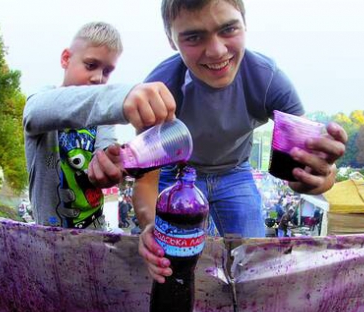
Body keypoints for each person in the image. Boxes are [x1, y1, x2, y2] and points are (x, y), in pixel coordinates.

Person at [133, 0, 347, 283]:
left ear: (245, 24)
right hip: (178, 175)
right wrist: (150, 227)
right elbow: (146, 182)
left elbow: (304, 170)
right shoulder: (161, 87)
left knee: (254, 264)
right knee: (179, 266)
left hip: (235, 172)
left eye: (228, 29)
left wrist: (321, 177)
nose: (217, 50)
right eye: (194, 37)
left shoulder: (267, 79)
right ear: (172, 40)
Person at [23, 22, 175, 229]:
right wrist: (123, 97)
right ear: (66, 58)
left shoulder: (102, 121)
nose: (98, 78)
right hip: (48, 234)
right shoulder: (42, 101)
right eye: (90, 65)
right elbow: (37, 112)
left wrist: (111, 163)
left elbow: (105, 149)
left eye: (107, 71)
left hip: (95, 229)